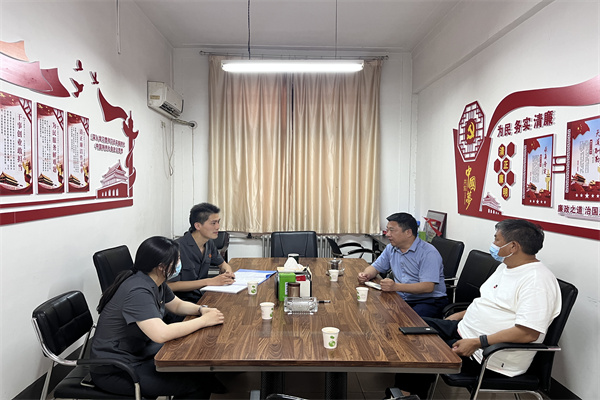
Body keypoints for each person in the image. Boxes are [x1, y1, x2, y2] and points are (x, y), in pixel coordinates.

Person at [395, 219, 562, 399]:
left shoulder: (537, 281)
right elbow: (489, 302)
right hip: (465, 330)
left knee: (420, 349)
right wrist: (460, 315)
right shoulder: (506, 267)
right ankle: (407, 393)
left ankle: (407, 395)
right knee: (408, 326)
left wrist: (477, 342)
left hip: (488, 353)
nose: (493, 244)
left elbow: (528, 333)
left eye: (496, 239)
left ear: (513, 246)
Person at [90, 236, 225, 399]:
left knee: (197, 368)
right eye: (177, 259)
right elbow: (161, 334)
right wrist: (203, 321)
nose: (180, 263)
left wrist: (201, 310)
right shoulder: (137, 291)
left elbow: (176, 305)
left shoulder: (155, 282)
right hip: (117, 369)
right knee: (196, 384)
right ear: (161, 266)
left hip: (138, 352)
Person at [358, 212, 448, 318]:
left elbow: (428, 287)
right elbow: (375, 267)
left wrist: (396, 287)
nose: (387, 234)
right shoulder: (391, 248)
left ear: (408, 232)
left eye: (392, 230)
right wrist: (366, 275)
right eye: (387, 230)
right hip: (402, 297)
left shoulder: (428, 253)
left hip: (428, 301)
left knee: (406, 322)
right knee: (373, 312)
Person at [168, 202, 235, 304]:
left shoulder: (209, 243)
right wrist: (209, 281)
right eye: (213, 223)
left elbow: (223, 264)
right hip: (182, 303)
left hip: (203, 296)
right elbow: (170, 285)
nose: (218, 227)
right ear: (198, 226)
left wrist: (227, 273)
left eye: (218, 222)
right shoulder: (176, 248)